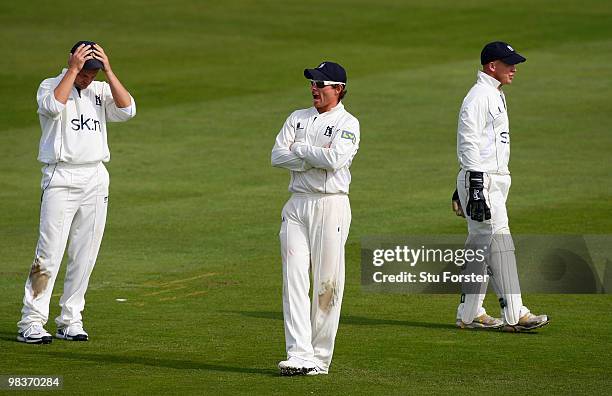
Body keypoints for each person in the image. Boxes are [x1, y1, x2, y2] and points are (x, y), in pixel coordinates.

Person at [17, 41, 136, 344]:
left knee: (85, 254)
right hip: (60, 176)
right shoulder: (51, 85)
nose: (88, 77)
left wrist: (108, 71)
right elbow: (53, 107)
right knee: (47, 256)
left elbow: (128, 109)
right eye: (86, 71)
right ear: (72, 62)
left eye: (92, 71)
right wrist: (72, 70)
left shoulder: (99, 89)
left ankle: (70, 319)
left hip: (95, 176)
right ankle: (31, 321)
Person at [452, 42, 548, 332]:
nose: (514, 68)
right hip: (484, 180)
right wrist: (475, 185)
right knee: (500, 243)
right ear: (492, 66)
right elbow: (467, 139)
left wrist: (464, 185)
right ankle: (515, 313)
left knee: (480, 245)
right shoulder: (479, 96)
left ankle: (469, 314)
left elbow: (482, 144)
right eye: (509, 63)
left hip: (487, 178)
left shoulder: (493, 93)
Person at [271, 61, 360, 375]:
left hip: (330, 205)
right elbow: (276, 155)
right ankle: (298, 354)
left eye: (321, 85)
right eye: (312, 83)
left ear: (338, 89)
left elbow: (336, 160)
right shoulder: (297, 117)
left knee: (326, 284)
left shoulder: (348, 123)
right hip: (296, 204)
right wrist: (312, 157)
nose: (314, 89)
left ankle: (319, 360)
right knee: (293, 280)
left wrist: (301, 150)